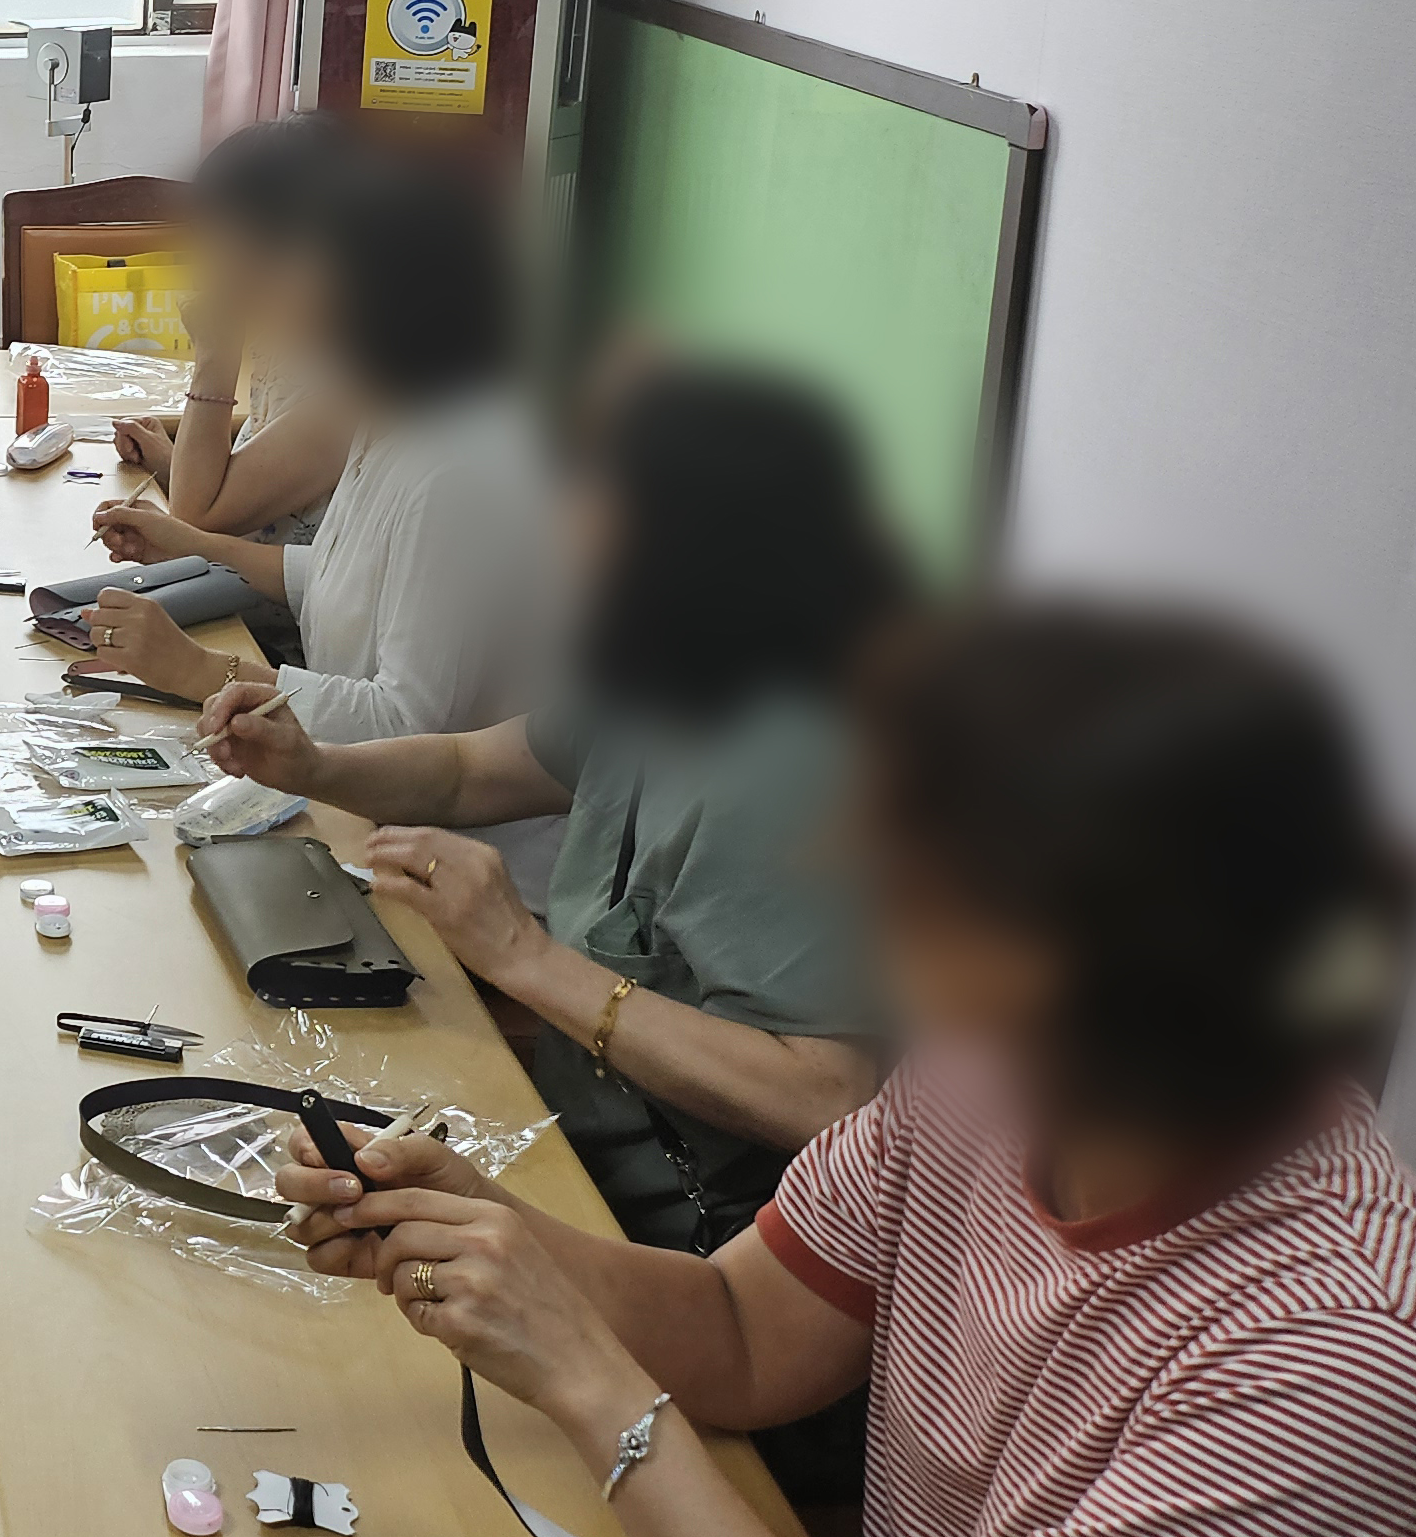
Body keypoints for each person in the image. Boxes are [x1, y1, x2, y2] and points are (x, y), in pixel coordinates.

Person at [279, 605, 1416, 1537]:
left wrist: (589, 1383)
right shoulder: (990, 1077)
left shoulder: (1353, 1361)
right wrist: (486, 1225)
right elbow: (744, 1338)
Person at [197, 365, 905, 1254]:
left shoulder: (792, 759)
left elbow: (826, 1099)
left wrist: (524, 957)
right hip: (576, 1135)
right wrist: (313, 762)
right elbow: (466, 772)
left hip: (691, 1235)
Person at [80, 143, 563, 889]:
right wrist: (195, 545)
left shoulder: (460, 464)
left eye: (298, 262)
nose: (271, 280)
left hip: (467, 876)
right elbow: (343, 575)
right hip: (364, 815)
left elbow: (407, 725)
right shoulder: (389, 406)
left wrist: (201, 670)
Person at [99, 117, 355, 611]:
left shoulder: (352, 386)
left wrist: (215, 353)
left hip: (283, 633)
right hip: (245, 598)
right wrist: (171, 461)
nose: (206, 256)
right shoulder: (290, 342)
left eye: (219, 236)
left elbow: (197, 514)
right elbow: (249, 494)